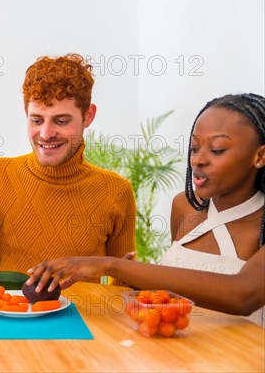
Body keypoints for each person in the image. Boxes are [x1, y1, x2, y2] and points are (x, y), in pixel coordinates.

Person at [27, 93, 265, 326]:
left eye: (217, 150)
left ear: (260, 155)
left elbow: (243, 295)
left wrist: (111, 264)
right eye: (194, 148)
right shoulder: (183, 206)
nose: (198, 160)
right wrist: (135, 284)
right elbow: (182, 292)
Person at [0, 54, 136, 276]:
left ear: (88, 116)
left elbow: (121, 294)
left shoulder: (116, 192)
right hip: (10, 310)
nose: (46, 134)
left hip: (84, 312)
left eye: (61, 121)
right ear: (25, 114)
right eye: (36, 120)